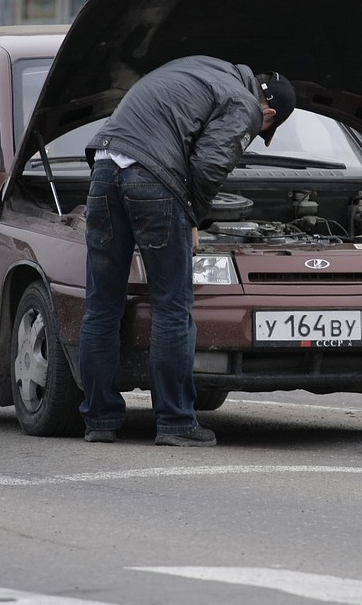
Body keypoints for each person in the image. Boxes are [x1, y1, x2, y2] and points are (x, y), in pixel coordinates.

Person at [78, 56, 296, 445]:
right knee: (172, 307)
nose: (256, 129)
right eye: (265, 128)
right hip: (152, 180)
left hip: (104, 168)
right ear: (269, 111)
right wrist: (192, 216)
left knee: (102, 305)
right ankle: (176, 423)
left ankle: (100, 419)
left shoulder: (201, 68)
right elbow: (211, 164)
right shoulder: (244, 103)